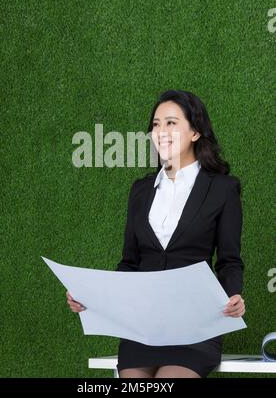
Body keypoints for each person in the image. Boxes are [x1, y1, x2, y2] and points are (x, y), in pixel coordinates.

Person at [67, 89, 246, 378]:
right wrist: (92, 298)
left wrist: (232, 295)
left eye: (171, 123)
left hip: (195, 326)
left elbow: (229, 261)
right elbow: (129, 262)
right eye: (155, 124)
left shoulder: (223, 189)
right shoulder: (140, 191)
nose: (161, 131)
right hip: (143, 326)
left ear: (195, 132)